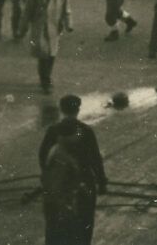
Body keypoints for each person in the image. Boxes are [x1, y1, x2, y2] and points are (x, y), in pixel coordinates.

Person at [38, 95, 107, 244]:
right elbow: (95, 159)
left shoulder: (53, 131)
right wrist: (102, 182)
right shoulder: (86, 131)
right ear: (77, 110)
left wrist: (47, 177)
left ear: (62, 110)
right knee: (83, 226)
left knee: (55, 226)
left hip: (58, 187)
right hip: (83, 185)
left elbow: (42, 156)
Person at [22, 0, 72, 94]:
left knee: (52, 54)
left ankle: (46, 76)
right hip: (39, 27)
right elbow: (27, 12)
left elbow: (66, 9)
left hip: (54, 26)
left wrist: (68, 24)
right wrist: (23, 28)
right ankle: (45, 80)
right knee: (43, 53)